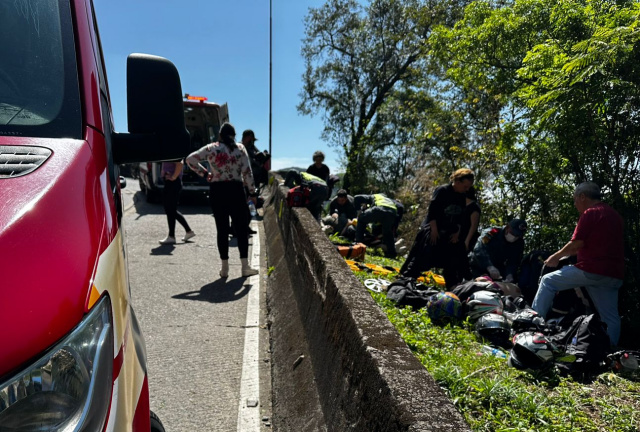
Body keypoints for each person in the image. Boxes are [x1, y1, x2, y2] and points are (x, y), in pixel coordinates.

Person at [532, 182, 623, 346]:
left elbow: (576, 244)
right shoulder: (614, 215)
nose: (574, 204)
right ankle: (611, 353)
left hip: (591, 269)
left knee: (548, 281)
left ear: (583, 197)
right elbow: (589, 246)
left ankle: (530, 328)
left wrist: (555, 256)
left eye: (575, 199)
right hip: (613, 275)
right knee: (610, 318)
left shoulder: (591, 213)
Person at [186, 122, 259, 278]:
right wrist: (252, 193)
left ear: (219, 135)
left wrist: (205, 174)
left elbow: (190, 159)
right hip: (236, 190)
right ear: (234, 136)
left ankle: (225, 268)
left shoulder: (212, 148)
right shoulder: (240, 149)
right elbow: (247, 172)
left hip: (217, 190)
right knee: (241, 228)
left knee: (222, 229)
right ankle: (245, 266)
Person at [399, 168, 475, 287]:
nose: (467, 189)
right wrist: (434, 230)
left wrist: (457, 233)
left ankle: (454, 286)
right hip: (434, 228)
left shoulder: (461, 196)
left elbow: (461, 217)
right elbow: (432, 211)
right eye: (465, 186)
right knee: (423, 257)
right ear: (458, 182)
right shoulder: (442, 190)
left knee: (454, 260)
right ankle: (406, 279)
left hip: (451, 232)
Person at [469, 218, 527, 283]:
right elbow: (479, 248)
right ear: (507, 227)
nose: (515, 237)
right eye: (513, 233)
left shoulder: (519, 242)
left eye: (518, 235)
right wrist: (489, 266)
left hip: (497, 271)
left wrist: (509, 274)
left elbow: (514, 260)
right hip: (478, 267)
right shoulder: (493, 232)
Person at [158, 159, 195, 245]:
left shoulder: (172, 150)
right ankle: (188, 231)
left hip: (173, 183)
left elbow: (180, 163)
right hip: (171, 182)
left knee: (170, 209)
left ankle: (172, 236)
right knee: (171, 210)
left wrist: (174, 177)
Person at [353, 194, 399, 258]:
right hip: (392, 213)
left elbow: (356, 197)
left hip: (380, 209)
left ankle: (359, 244)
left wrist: (359, 212)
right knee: (387, 233)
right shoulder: (388, 200)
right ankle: (392, 254)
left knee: (361, 219)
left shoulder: (374, 196)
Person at [456, 187, 481, 280]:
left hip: (469, 239)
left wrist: (467, 241)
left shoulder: (474, 207)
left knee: (465, 263)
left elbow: (473, 226)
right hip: (459, 237)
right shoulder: (462, 205)